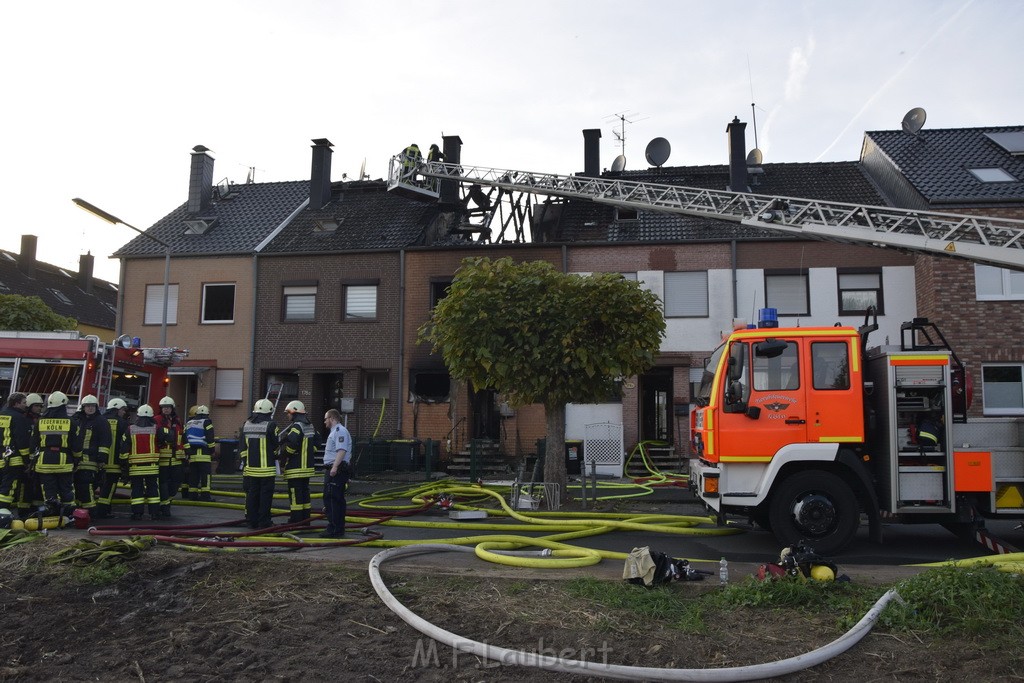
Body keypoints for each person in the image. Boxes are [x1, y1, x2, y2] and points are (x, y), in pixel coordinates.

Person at [32, 391, 80, 518]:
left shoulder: (40, 422)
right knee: (66, 490)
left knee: (49, 490)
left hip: (44, 462)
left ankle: (51, 515)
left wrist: (31, 460)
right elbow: (76, 445)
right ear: (64, 406)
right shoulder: (71, 422)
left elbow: (33, 443)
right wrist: (77, 459)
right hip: (64, 462)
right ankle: (68, 516)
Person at [239, 399, 279, 529]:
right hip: (267, 469)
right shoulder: (271, 425)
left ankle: (251, 521)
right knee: (265, 497)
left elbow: (242, 448)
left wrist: (246, 464)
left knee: (252, 495)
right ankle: (264, 522)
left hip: (250, 469)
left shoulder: (246, 424)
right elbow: (276, 447)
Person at [70, 395, 111, 516]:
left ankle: (90, 513)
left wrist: (102, 458)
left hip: (91, 460)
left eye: (92, 406)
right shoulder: (77, 420)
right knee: (76, 487)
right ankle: (78, 513)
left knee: (86, 486)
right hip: (75, 461)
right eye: (88, 406)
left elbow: (106, 440)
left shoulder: (101, 421)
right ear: (83, 407)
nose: (90, 408)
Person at [278, 400, 317, 523]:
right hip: (307, 468)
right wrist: (309, 452)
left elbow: (292, 444)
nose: (287, 415)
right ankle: (306, 519)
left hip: (296, 467)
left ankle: (296, 519)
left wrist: (284, 458)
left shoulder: (296, 427)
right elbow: (317, 441)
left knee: (295, 494)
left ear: (294, 413)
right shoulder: (310, 426)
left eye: (288, 413)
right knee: (305, 493)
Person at [126, 404, 165, 521]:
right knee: (153, 489)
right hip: (152, 467)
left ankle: (137, 514)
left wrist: (124, 463)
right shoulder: (156, 428)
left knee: (137, 490)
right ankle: (155, 514)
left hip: (135, 467)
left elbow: (124, 447)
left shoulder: (130, 429)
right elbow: (162, 443)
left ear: (138, 415)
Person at [95, 398, 130, 518]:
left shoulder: (99, 420)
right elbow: (125, 444)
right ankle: (103, 511)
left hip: (98, 462)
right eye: (123, 410)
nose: (124, 412)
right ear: (117, 409)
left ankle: (96, 510)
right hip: (114, 464)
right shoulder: (123, 423)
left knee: (97, 486)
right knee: (109, 489)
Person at [321, 408, 352, 538]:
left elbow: (341, 451)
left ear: (332, 418)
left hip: (336, 471)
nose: (324, 422)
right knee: (333, 499)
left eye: (326, 419)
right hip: (335, 469)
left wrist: (334, 468)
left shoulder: (340, 432)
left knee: (333, 500)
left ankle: (334, 529)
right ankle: (336, 528)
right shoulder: (335, 432)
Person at [154, 396, 185, 517]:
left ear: (172, 408)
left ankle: (167, 502)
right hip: (163, 458)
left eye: (168, 407)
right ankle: (165, 507)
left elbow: (183, 437)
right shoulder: (156, 420)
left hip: (177, 458)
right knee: (163, 484)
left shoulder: (177, 421)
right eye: (164, 408)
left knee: (176, 483)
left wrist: (186, 452)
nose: (166, 410)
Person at [0, 393, 32, 511]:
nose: (26, 405)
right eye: (24, 403)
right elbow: (22, 441)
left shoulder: (1, 415)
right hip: (13, 460)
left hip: (1, 457)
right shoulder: (19, 418)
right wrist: (27, 460)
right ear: (17, 403)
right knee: (8, 488)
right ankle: (2, 513)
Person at [183, 405, 215, 501]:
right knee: (205, 475)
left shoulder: (189, 423)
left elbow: (184, 437)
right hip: (204, 453)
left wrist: (187, 450)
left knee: (194, 475)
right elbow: (210, 437)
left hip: (191, 453)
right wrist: (212, 450)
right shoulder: (207, 422)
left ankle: (192, 495)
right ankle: (205, 496)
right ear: (207, 414)